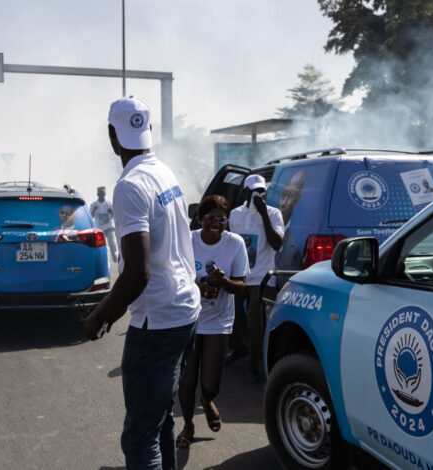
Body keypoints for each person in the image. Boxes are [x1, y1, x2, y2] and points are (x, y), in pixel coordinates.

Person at [84, 95, 200, 470]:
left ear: (111, 136)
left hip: (158, 323)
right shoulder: (164, 172)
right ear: (148, 131)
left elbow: (137, 272)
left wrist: (100, 315)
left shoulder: (129, 185)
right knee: (160, 417)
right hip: (184, 311)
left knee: (139, 436)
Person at [175, 195, 247, 449]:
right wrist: (199, 287)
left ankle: (207, 401)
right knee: (187, 378)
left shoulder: (235, 243)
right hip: (188, 318)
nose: (216, 223)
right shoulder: (188, 240)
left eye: (222, 219)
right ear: (200, 218)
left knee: (211, 382)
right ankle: (187, 424)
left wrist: (223, 282)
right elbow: (175, 278)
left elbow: (241, 286)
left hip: (219, 320)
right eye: (211, 217)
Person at [225, 174, 283, 383]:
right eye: (254, 192)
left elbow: (277, 244)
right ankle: (240, 347)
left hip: (262, 278)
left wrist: (264, 214)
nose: (258, 196)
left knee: (255, 323)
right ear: (246, 193)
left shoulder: (274, 213)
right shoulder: (235, 214)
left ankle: (254, 367)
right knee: (232, 315)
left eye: (262, 192)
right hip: (240, 275)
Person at [274, 169, 307, 287]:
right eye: (283, 195)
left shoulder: (296, 240)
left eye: (291, 196)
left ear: (298, 199)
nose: (283, 203)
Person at [91, 186, 119, 262]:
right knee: (100, 245)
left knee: (112, 244)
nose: (101, 194)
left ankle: (113, 253)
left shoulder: (109, 203)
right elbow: (91, 217)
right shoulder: (94, 205)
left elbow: (116, 215)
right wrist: (94, 210)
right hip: (99, 228)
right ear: (97, 194)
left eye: (103, 193)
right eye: (100, 193)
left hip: (109, 227)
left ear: (105, 193)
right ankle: (102, 258)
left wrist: (111, 212)